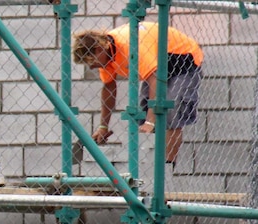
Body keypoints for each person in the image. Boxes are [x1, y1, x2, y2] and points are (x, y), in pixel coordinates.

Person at [72, 21, 203, 166]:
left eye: (91, 61)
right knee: (144, 112)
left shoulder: (131, 47)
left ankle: (166, 168)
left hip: (182, 60)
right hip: (156, 63)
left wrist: (150, 121)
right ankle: (148, 167)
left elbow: (155, 79)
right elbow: (109, 88)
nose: (91, 66)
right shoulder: (106, 57)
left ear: (98, 49)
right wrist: (103, 127)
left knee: (172, 112)